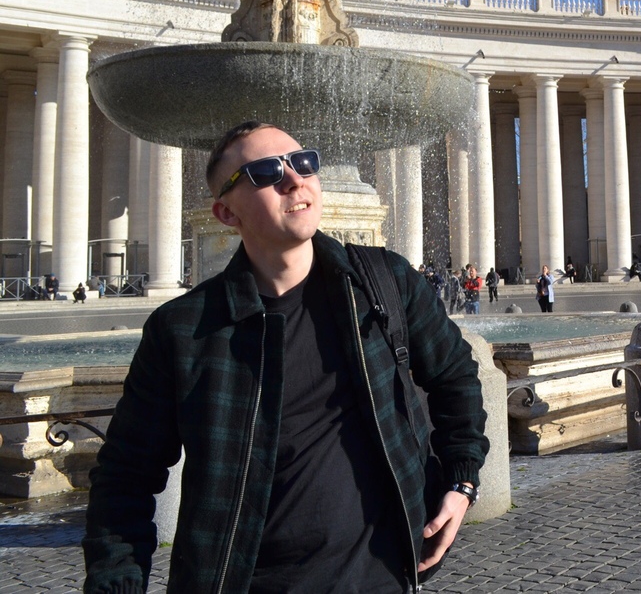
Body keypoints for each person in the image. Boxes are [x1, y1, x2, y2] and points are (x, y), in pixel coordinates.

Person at [83, 120, 488, 593]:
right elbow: (126, 475)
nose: (294, 179)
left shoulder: (385, 282)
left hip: (383, 578)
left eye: (303, 162)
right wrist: (116, 583)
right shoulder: (183, 330)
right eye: (265, 172)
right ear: (226, 212)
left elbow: (455, 375)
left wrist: (462, 483)